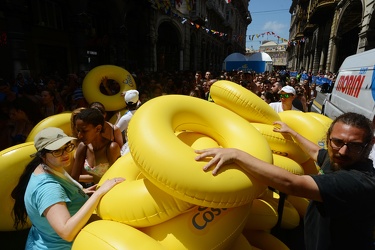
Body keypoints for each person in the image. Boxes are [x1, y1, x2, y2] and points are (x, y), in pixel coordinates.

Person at [195, 112, 375, 249]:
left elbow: (292, 184)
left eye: (354, 145)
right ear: (328, 139)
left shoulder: (358, 181)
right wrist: (293, 133)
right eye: (337, 142)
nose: (343, 151)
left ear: (370, 144)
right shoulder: (337, 158)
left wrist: (237, 155)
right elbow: (316, 153)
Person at [11, 127, 124, 249]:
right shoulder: (49, 188)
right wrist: (98, 194)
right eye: (57, 151)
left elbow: (55, 200)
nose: (65, 154)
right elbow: (67, 232)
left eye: (66, 147)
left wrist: (79, 193)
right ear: (43, 155)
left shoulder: (46, 168)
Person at [70, 108, 121, 184]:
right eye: (78, 130)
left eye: (84, 131)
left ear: (98, 129)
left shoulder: (111, 148)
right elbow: (74, 178)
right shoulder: (83, 146)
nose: (79, 135)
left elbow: (117, 177)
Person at [116, 90, 140, 155]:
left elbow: (115, 131)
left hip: (130, 148)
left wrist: (118, 118)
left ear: (125, 103)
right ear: (137, 101)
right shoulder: (143, 112)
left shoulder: (125, 118)